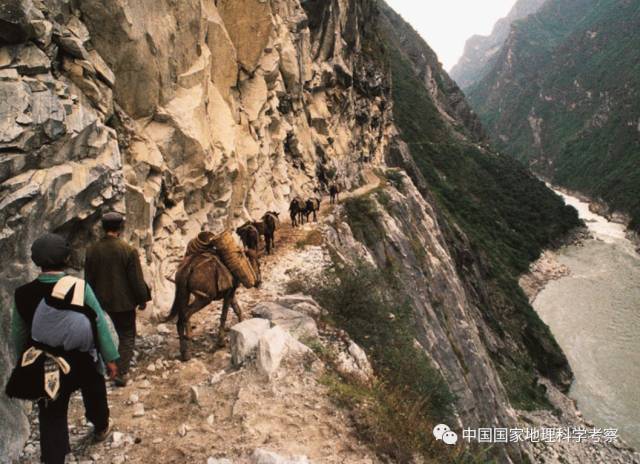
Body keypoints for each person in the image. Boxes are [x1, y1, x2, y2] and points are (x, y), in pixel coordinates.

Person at [10, 233, 119, 464]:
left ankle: (54, 457)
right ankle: (100, 426)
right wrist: (110, 357)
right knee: (94, 389)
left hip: (45, 362)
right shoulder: (80, 287)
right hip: (81, 358)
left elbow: (18, 334)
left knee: (51, 410)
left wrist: (25, 363)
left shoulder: (22, 294)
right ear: (67, 258)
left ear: (36, 261)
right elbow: (98, 322)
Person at [85, 212, 151, 387]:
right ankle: (121, 372)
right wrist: (142, 298)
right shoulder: (128, 250)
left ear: (103, 228)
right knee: (127, 335)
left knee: (101, 336)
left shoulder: (91, 251)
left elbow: (88, 280)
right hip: (123, 303)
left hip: (99, 303)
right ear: (121, 228)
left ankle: (106, 368)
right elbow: (136, 280)